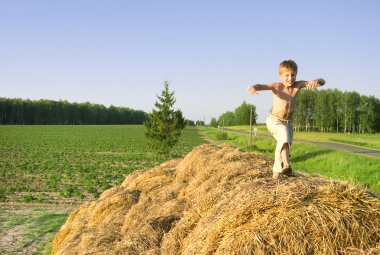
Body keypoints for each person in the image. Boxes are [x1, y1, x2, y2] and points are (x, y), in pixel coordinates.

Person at [247, 60, 325, 179]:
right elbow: (262, 86)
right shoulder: (277, 87)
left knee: (284, 145)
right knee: (283, 136)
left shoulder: (297, 86)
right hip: (275, 121)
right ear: (280, 76)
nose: (290, 78)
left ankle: (276, 176)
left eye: (293, 75)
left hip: (289, 122)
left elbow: (322, 81)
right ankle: (287, 164)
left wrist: (315, 81)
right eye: (286, 75)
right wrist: (253, 87)